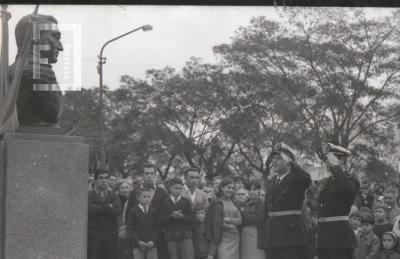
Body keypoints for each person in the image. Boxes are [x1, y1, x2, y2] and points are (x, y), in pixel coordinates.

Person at [264, 142, 311, 259]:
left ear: (289, 161)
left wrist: (293, 163)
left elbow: (306, 179)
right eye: (274, 159)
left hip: (291, 236)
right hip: (272, 236)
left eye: (279, 158)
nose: (274, 161)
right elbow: (267, 210)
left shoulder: (296, 179)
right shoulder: (271, 182)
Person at [316, 143, 360, 259]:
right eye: (326, 158)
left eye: (330, 158)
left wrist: (336, 167)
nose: (327, 161)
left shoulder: (351, 180)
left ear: (342, 160)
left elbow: (347, 189)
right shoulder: (329, 181)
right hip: (325, 236)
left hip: (339, 237)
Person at [125, 163, 169, 259]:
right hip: (138, 239)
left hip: (156, 238)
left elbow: (166, 214)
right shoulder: (135, 192)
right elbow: (128, 214)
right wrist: (136, 238)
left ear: (155, 175)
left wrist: (157, 236)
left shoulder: (162, 192)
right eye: (147, 173)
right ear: (142, 175)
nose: (150, 176)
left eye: (152, 173)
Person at [88, 169, 122, 259]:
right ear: (95, 180)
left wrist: (98, 210)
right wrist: (107, 207)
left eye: (106, 178)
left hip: (110, 235)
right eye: (101, 178)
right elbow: (90, 210)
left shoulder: (114, 195)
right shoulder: (90, 195)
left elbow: (117, 211)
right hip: (94, 235)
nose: (104, 180)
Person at [205, 177, 242, 259]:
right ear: (222, 188)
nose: (231, 190)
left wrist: (227, 220)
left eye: (233, 188)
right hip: (221, 239)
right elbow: (213, 222)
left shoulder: (235, 202)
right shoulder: (216, 202)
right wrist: (229, 226)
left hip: (235, 238)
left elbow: (240, 221)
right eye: (228, 187)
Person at [161, 177, 195, 259]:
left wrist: (182, 216)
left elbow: (192, 219)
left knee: (187, 256)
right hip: (171, 236)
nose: (178, 190)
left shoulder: (186, 201)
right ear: (170, 188)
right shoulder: (165, 202)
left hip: (185, 236)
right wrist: (171, 217)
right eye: (175, 188)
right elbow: (162, 220)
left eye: (180, 188)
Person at [127, 188, 160, 259]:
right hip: (138, 245)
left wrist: (153, 240)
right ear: (138, 198)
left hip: (151, 244)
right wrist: (138, 241)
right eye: (144, 197)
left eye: (148, 196)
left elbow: (157, 227)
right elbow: (130, 228)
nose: (147, 199)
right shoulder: (133, 211)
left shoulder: (153, 211)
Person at [240, 181, 265, 259]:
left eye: (254, 189)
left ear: (259, 190)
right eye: (249, 190)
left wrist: (243, 212)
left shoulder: (262, 203)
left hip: (257, 234)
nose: (251, 192)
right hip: (244, 234)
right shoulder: (244, 203)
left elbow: (258, 219)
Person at [117, 180, 133, 259]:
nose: (125, 189)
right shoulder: (116, 199)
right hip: (120, 232)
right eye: (122, 188)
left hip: (130, 232)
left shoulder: (133, 200)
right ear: (119, 190)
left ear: (130, 188)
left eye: (127, 187)